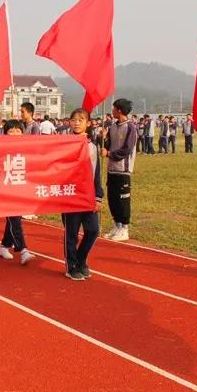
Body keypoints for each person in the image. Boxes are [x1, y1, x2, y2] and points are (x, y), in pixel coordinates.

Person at [62, 109, 103, 280]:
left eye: (81, 119)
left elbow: (96, 173)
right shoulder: (63, 145)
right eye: (73, 119)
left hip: (88, 196)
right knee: (71, 232)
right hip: (70, 195)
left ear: (88, 123)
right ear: (69, 123)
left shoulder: (93, 147)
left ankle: (81, 259)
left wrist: (98, 196)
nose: (77, 122)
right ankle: (71, 266)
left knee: (93, 230)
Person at [0, 119, 35, 265]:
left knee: (13, 218)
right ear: (5, 133)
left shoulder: (26, 149)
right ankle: (23, 249)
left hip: (19, 189)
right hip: (5, 190)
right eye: (10, 130)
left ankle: (4, 245)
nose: (14, 133)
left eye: (17, 130)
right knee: (15, 218)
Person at [102, 98, 137, 242]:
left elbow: (127, 149)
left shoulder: (130, 127)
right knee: (112, 199)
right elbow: (109, 144)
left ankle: (125, 228)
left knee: (123, 201)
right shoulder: (113, 126)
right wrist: (103, 138)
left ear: (120, 110)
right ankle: (117, 225)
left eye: (114, 108)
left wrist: (110, 154)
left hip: (123, 170)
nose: (112, 111)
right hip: (112, 169)